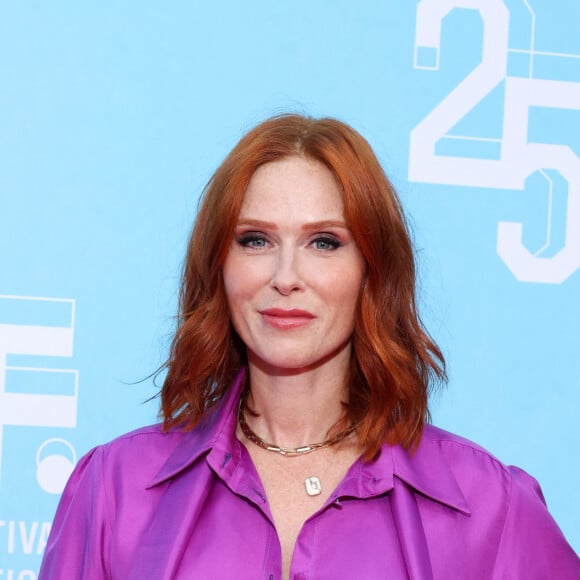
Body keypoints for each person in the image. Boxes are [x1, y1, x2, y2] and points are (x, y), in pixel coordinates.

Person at [39, 114, 579, 579]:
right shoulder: (113, 489)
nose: (286, 276)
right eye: (256, 240)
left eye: (324, 242)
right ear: (219, 267)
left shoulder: (489, 506)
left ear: (372, 271)